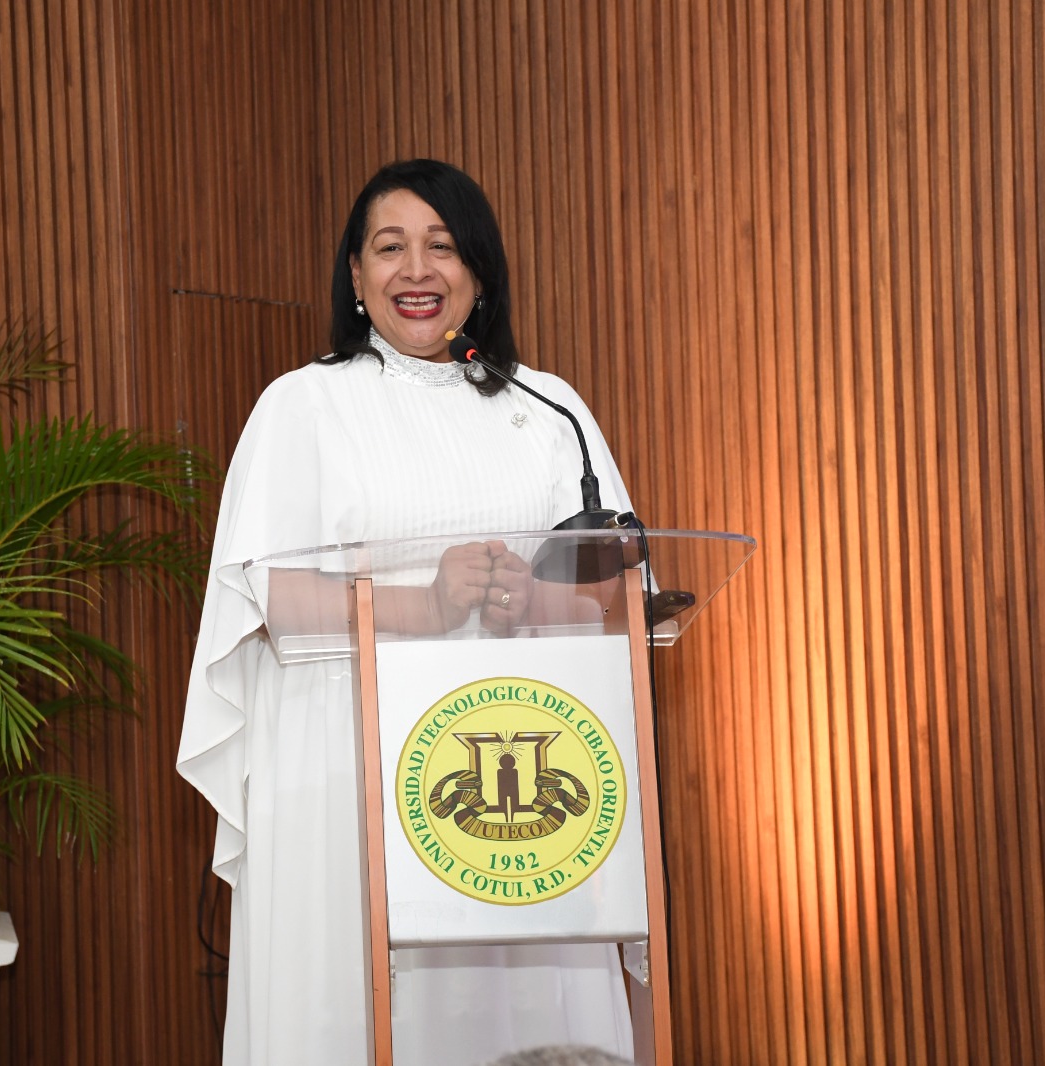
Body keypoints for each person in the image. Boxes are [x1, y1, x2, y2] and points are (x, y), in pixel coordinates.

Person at [178, 159, 638, 1065]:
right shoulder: (304, 406)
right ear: (355, 276)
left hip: (523, 777)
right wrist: (424, 607)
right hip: (347, 764)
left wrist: (529, 596)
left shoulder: (550, 410)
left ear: (479, 271)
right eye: (390, 248)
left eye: (442, 246)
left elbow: (616, 593)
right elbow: (273, 602)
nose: (417, 270)